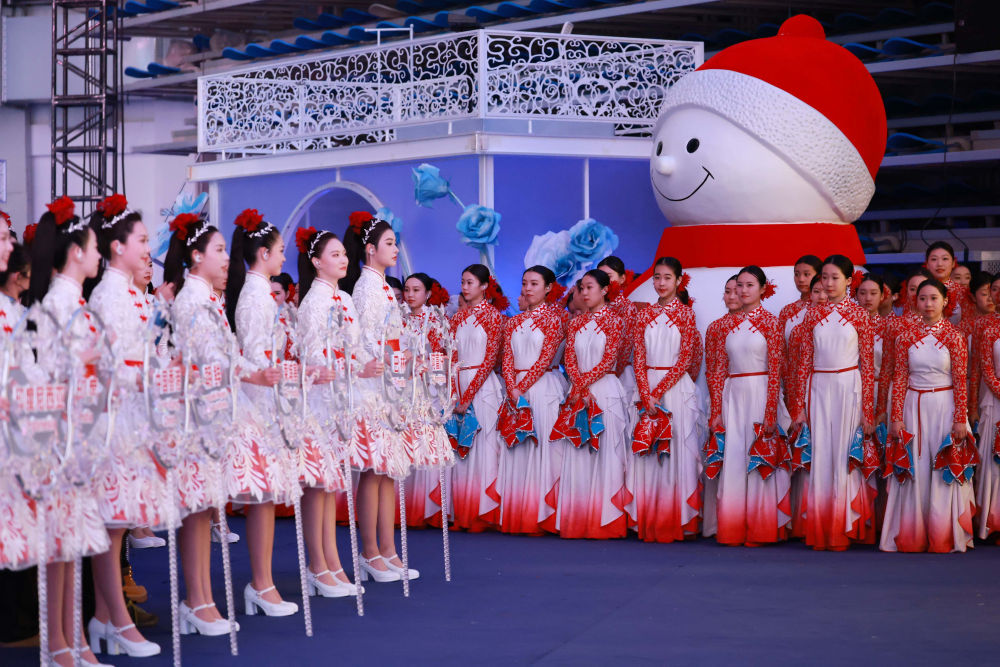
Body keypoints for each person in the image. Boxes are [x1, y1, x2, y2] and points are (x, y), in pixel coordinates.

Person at [28, 197, 111, 666]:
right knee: (60, 541)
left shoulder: (73, 300)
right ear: (76, 251)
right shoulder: (57, 304)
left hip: (80, 429)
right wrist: (88, 361)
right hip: (61, 433)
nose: (99, 254)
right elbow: (50, 373)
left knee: (71, 540)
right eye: (95, 247)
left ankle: (72, 638)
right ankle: (59, 643)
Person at [85, 195, 164, 657]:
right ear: (117, 246)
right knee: (112, 522)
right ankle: (115, 618)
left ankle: (106, 614)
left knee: (119, 520)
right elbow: (109, 365)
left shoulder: (132, 293)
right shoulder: (109, 294)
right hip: (115, 415)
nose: (148, 248)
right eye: (142, 239)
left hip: (136, 412)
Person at [224, 209, 303, 617]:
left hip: (267, 395)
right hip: (258, 400)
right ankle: (260, 582)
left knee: (267, 497)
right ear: (262, 253)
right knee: (262, 496)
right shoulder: (255, 296)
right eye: (280, 250)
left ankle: (263, 582)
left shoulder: (258, 293)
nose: (284, 257)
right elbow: (255, 355)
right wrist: (269, 383)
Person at [343, 215, 414, 581]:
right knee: (373, 471)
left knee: (387, 471)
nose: (395, 249)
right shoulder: (366, 288)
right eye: (389, 243)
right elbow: (369, 344)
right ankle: (370, 552)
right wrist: (395, 362)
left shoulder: (383, 286)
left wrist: (407, 359)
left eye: (395, 243)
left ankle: (388, 549)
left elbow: (392, 339)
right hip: (374, 388)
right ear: (370, 249)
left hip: (389, 386)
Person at [882, 279, 974, 553]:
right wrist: (896, 416)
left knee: (942, 466)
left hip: (945, 406)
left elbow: (960, 379)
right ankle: (913, 533)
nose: (928, 304)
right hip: (913, 407)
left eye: (934, 298)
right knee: (916, 467)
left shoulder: (955, 336)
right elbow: (900, 377)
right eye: (922, 298)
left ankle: (943, 534)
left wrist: (960, 418)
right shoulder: (905, 337)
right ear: (915, 302)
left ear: (945, 301)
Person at [790, 255, 876, 550]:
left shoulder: (860, 315)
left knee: (843, 456)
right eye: (824, 277)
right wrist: (799, 407)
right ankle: (821, 528)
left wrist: (868, 411)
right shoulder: (812, 315)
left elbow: (868, 366)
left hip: (848, 388)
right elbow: (803, 364)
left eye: (835, 277)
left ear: (850, 280)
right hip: (818, 389)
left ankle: (842, 527)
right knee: (821, 455)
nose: (828, 283)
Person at [294, 226, 361, 597]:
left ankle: (332, 561)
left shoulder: (345, 299)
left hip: (342, 397)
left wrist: (364, 366)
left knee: (331, 483)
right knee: (318, 483)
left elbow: (355, 347)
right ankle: (317, 564)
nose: (343, 259)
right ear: (317, 262)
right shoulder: (313, 302)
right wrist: (329, 369)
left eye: (344, 254)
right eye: (334, 254)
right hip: (319, 400)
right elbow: (310, 355)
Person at [705, 266, 790, 545]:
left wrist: (770, 412)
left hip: (760, 393)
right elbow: (718, 370)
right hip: (733, 395)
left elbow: (776, 369)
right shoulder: (725, 325)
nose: (742, 290)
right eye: (739, 285)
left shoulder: (771, 322)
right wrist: (716, 411)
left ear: (763, 289)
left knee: (759, 459)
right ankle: (733, 527)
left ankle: (761, 527)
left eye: (749, 285)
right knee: (734, 458)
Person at [627, 257, 703, 542]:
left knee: (675, 451)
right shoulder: (644, 314)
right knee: (647, 452)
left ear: (679, 281)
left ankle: (674, 519)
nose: (660, 283)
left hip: (674, 390)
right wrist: (646, 392)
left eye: (667, 278)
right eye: (657, 277)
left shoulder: (686, 314)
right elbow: (638, 356)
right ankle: (649, 518)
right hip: (646, 388)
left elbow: (684, 359)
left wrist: (657, 392)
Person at [552, 269, 629, 538]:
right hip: (578, 392)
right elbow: (569, 359)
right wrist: (579, 386)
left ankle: (604, 521)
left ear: (605, 290)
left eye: (590, 287)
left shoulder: (615, 321)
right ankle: (578, 519)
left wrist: (583, 386)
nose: (584, 293)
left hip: (604, 391)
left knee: (605, 452)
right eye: (581, 288)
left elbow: (609, 359)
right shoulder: (576, 323)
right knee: (578, 452)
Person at [498, 266, 568, 534]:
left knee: (542, 449)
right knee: (517, 448)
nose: (527, 288)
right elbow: (507, 359)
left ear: (548, 288)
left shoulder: (553, 320)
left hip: (542, 388)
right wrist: (512, 387)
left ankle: (542, 514)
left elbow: (545, 358)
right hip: (516, 390)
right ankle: (518, 513)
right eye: (525, 283)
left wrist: (520, 388)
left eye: (534, 284)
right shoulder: (513, 322)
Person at [448, 264, 506, 532]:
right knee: (461, 450)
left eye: (470, 282)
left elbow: (490, 358)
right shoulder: (457, 317)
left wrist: (468, 396)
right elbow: (451, 355)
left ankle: (483, 513)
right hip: (459, 383)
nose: (464, 287)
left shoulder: (493, 316)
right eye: (463, 282)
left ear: (484, 286)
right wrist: (454, 391)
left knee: (483, 445)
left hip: (483, 387)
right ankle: (462, 511)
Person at [399, 272, 455, 528]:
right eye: (407, 289)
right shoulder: (398, 319)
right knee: (403, 443)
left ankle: (428, 508)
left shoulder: (436, 320)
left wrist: (424, 365)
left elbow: (445, 356)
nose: (410, 295)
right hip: (402, 389)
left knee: (426, 442)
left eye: (416, 290)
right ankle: (403, 507)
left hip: (427, 389)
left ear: (429, 293)